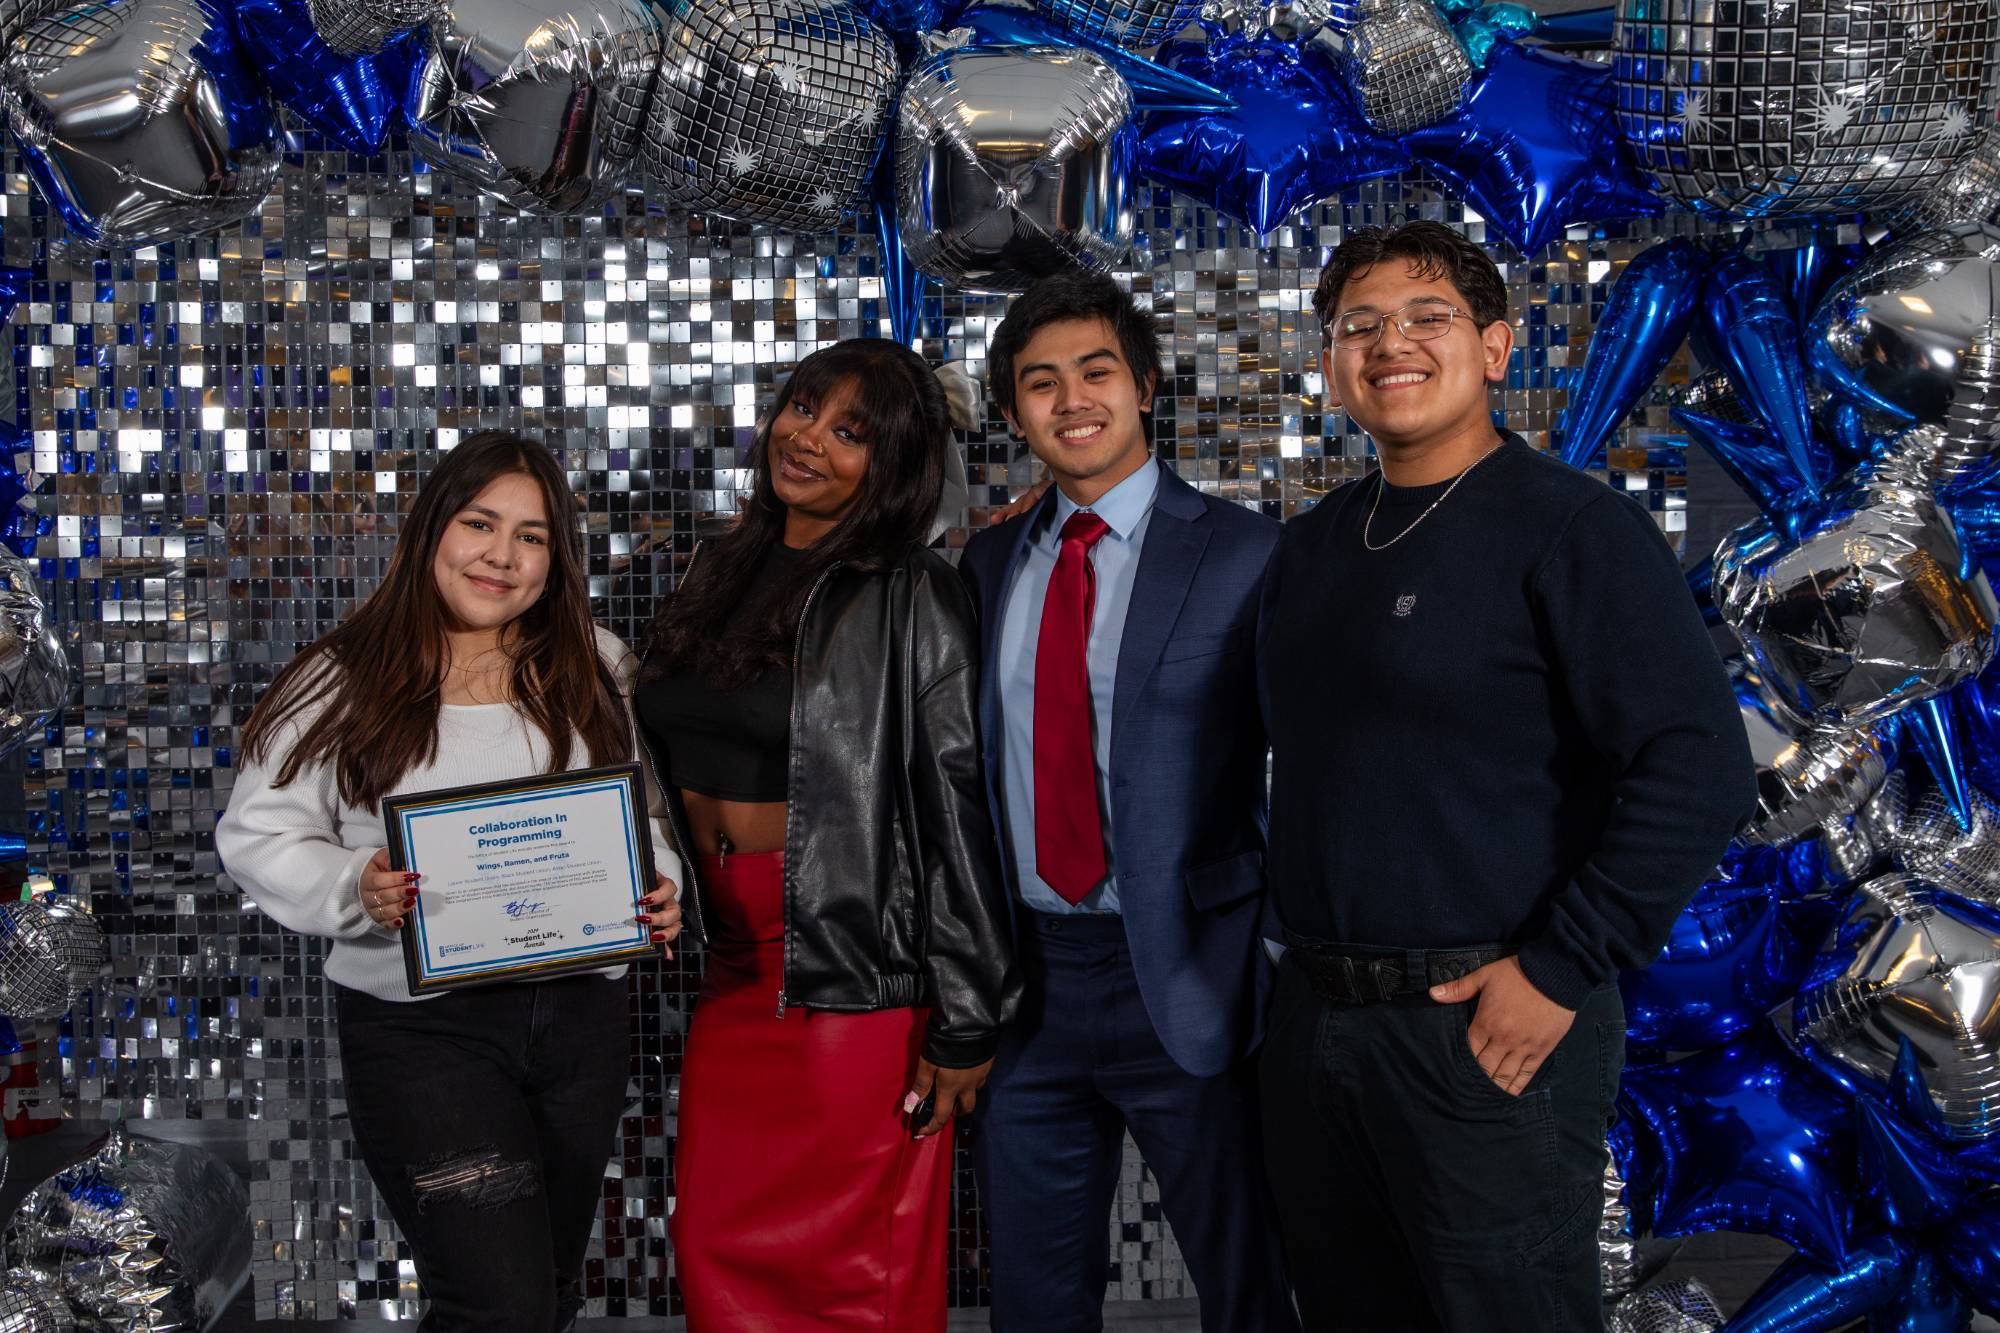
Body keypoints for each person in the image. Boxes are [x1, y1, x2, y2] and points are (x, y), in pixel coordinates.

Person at [1257, 220, 1755, 1331]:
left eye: (1425, 317)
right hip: (1317, 1025)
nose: (1391, 343)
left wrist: (1561, 965)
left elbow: (1699, 762)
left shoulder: (1571, 526)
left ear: (1493, 348)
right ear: (1334, 365)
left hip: (1483, 1023)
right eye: (1359, 326)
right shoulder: (1313, 545)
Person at [217, 431, 682, 1333]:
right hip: (426, 1032)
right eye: (480, 523)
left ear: (557, 557)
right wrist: (358, 883)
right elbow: (259, 832)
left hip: (580, 1021)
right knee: (495, 1304)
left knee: (545, 1290)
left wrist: (657, 886)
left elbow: (646, 821)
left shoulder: (598, 664)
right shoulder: (341, 678)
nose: (502, 556)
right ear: (432, 530)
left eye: (533, 535)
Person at [634, 337, 1019, 1330]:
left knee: (852, 1277)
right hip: (729, 968)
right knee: (716, 1250)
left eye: (851, 431)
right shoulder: (722, 563)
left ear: (891, 465)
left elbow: (954, 798)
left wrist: (968, 1014)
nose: (807, 437)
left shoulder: (911, 589)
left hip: (852, 976)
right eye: (803, 407)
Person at [958, 272, 1297, 1333]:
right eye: (1039, 382)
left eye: (1095, 371)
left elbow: (1321, 762)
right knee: (1035, 1298)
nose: (1070, 400)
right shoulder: (983, 560)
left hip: (1191, 977)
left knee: (1247, 1289)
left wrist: (1276, 953)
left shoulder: (1245, 553)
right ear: (1013, 413)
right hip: (1027, 990)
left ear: (1144, 387)